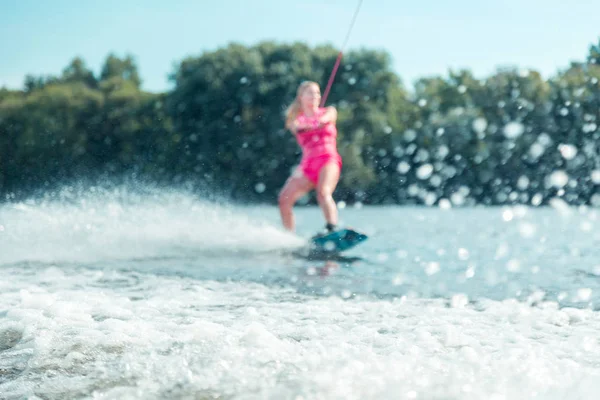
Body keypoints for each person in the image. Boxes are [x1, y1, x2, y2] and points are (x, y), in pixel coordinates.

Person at [278, 81, 343, 235]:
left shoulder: (329, 111)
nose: (315, 96)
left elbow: (327, 119)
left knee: (323, 192)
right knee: (284, 199)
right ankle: (289, 236)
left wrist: (318, 122)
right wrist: (312, 124)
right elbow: (297, 128)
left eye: (318, 93)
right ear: (301, 97)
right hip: (307, 166)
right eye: (310, 93)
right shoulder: (295, 120)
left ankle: (331, 228)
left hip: (328, 160)